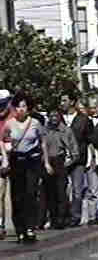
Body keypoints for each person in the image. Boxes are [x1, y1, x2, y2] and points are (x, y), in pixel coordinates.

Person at [0, 91, 53, 243]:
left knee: (31, 193)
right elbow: (2, 140)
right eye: (18, 107)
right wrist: (5, 158)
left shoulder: (35, 123)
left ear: (28, 108)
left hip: (32, 160)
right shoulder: (9, 124)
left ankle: (30, 227)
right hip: (17, 161)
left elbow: (42, 142)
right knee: (17, 196)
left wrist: (46, 162)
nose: (21, 110)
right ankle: (20, 229)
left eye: (24, 106)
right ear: (14, 108)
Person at [60, 91, 93, 227]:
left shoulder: (83, 120)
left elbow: (90, 140)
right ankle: (63, 216)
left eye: (64, 100)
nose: (62, 103)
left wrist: (92, 159)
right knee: (62, 190)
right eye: (61, 101)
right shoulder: (58, 118)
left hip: (78, 160)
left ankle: (75, 217)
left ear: (72, 102)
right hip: (60, 159)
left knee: (77, 190)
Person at [42, 108, 79, 230]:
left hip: (60, 160)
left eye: (55, 116)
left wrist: (67, 164)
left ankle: (61, 219)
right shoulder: (44, 130)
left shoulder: (66, 130)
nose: (53, 118)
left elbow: (74, 151)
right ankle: (52, 219)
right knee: (49, 193)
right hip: (47, 162)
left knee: (61, 192)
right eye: (51, 116)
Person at [85, 94, 98, 225]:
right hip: (91, 160)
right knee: (92, 190)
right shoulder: (86, 121)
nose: (93, 110)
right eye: (91, 108)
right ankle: (93, 216)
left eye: (95, 107)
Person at [0, 90, 14, 240]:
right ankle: (1, 225)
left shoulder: (15, 116)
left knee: (15, 194)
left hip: (16, 159)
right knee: (0, 194)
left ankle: (13, 225)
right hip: (1, 160)